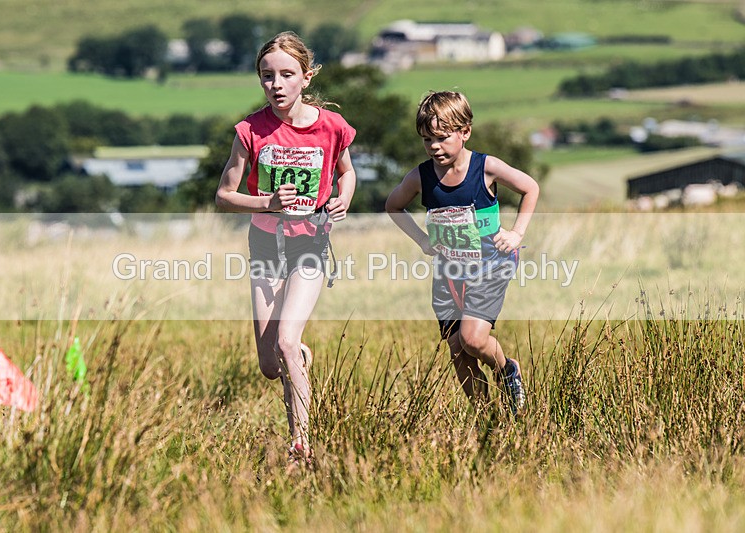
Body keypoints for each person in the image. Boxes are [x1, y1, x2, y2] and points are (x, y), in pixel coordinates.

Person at [215, 31, 356, 463]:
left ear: (306, 78)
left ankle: (301, 446)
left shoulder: (332, 128)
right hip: (264, 245)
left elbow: (347, 173)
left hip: (310, 244)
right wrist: (267, 202)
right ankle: (296, 358)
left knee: (287, 341)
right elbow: (224, 196)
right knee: (270, 363)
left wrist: (344, 198)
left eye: (286, 75)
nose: (275, 84)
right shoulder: (250, 131)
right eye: (266, 76)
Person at [385, 91, 538, 415]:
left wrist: (516, 233)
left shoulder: (486, 168)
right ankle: (487, 420)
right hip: (448, 271)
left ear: (465, 131)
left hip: (490, 265)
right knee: (457, 350)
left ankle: (507, 370)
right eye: (427, 139)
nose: (434, 147)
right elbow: (393, 205)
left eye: (441, 138)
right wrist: (423, 241)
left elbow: (530, 187)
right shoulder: (421, 177)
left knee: (471, 338)